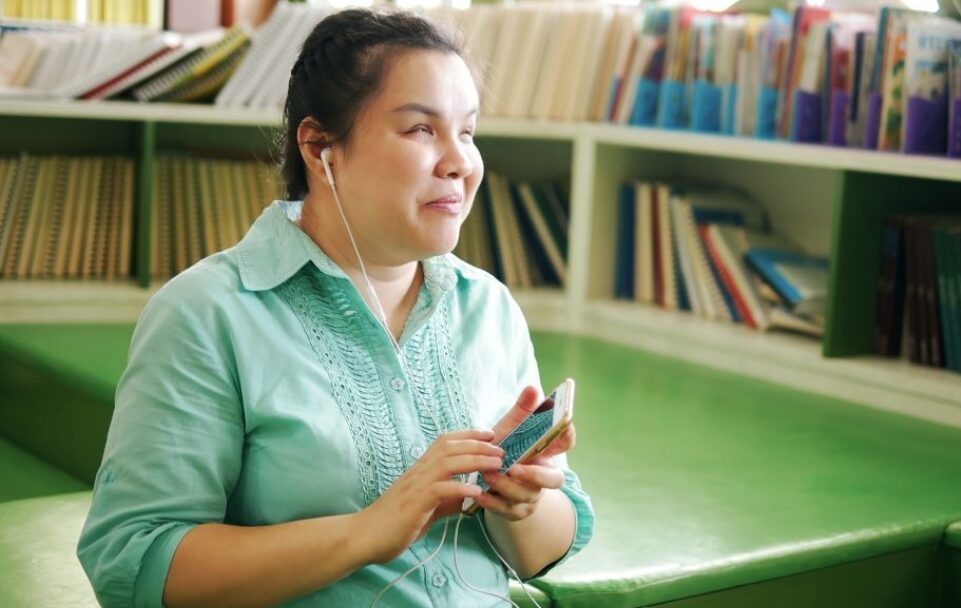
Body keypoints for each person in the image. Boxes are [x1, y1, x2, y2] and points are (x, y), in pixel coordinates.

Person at [76, 8, 594, 607]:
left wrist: (521, 504)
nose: (460, 161)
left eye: (468, 132)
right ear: (321, 147)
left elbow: (542, 553)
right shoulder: (204, 313)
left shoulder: (490, 308)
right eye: (421, 130)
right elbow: (134, 562)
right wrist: (365, 532)